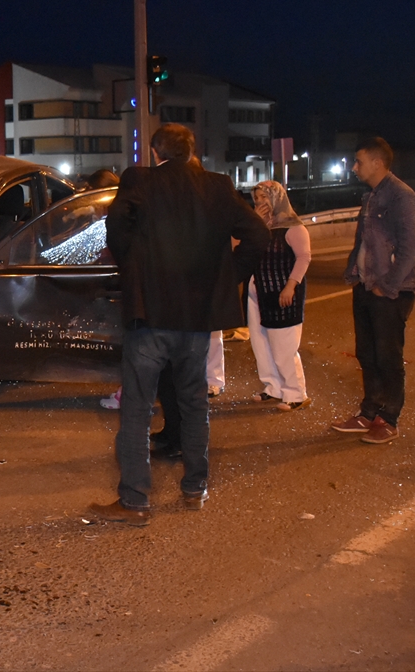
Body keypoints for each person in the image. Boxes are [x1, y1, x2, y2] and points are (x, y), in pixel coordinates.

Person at [90, 124, 268, 525]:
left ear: (156, 152)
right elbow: (257, 233)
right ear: (192, 150)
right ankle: (194, 487)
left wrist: (132, 266)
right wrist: (226, 278)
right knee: (193, 403)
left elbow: (115, 228)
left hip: (150, 316)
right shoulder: (218, 187)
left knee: (137, 408)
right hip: (196, 320)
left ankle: (135, 500)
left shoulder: (140, 180)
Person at [331, 137, 415, 444]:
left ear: (377, 163)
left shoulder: (401, 196)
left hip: (390, 291)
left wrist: (389, 285)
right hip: (367, 286)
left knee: (388, 356)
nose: (354, 167)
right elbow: (363, 242)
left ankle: (389, 418)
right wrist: (353, 272)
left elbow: (410, 249)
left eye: (358, 161)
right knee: (367, 354)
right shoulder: (370, 197)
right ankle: (368, 413)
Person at [247, 181, 312, 410]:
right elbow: (242, 246)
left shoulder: (293, 227)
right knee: (260, 341)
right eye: (256, 200)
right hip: (258, 291)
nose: (260, 204)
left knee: (284, 343)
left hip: (281, 290)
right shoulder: (260, 227)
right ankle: (272, 387)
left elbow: (304, 257)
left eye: (264, 198)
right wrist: (256, 222)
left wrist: (290, 285)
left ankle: (295, 392)